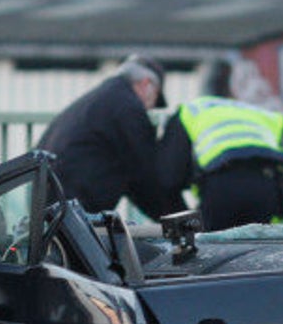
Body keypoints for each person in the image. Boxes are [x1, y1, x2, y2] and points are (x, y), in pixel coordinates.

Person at [36, 54, 183, 220]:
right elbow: (146, 175)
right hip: (76, 203)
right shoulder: (127, 107)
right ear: (146, 84)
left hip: (51, 198)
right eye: (155, 100)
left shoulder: (105, 97)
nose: (149, 109)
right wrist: (181, 219)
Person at [158, 56, 283, 231]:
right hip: (267, 185)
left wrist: (184, 219)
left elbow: (169, 177)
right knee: (258, 251)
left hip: (222, 184)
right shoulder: (257, 112)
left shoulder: (192, 110)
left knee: (213, 252)